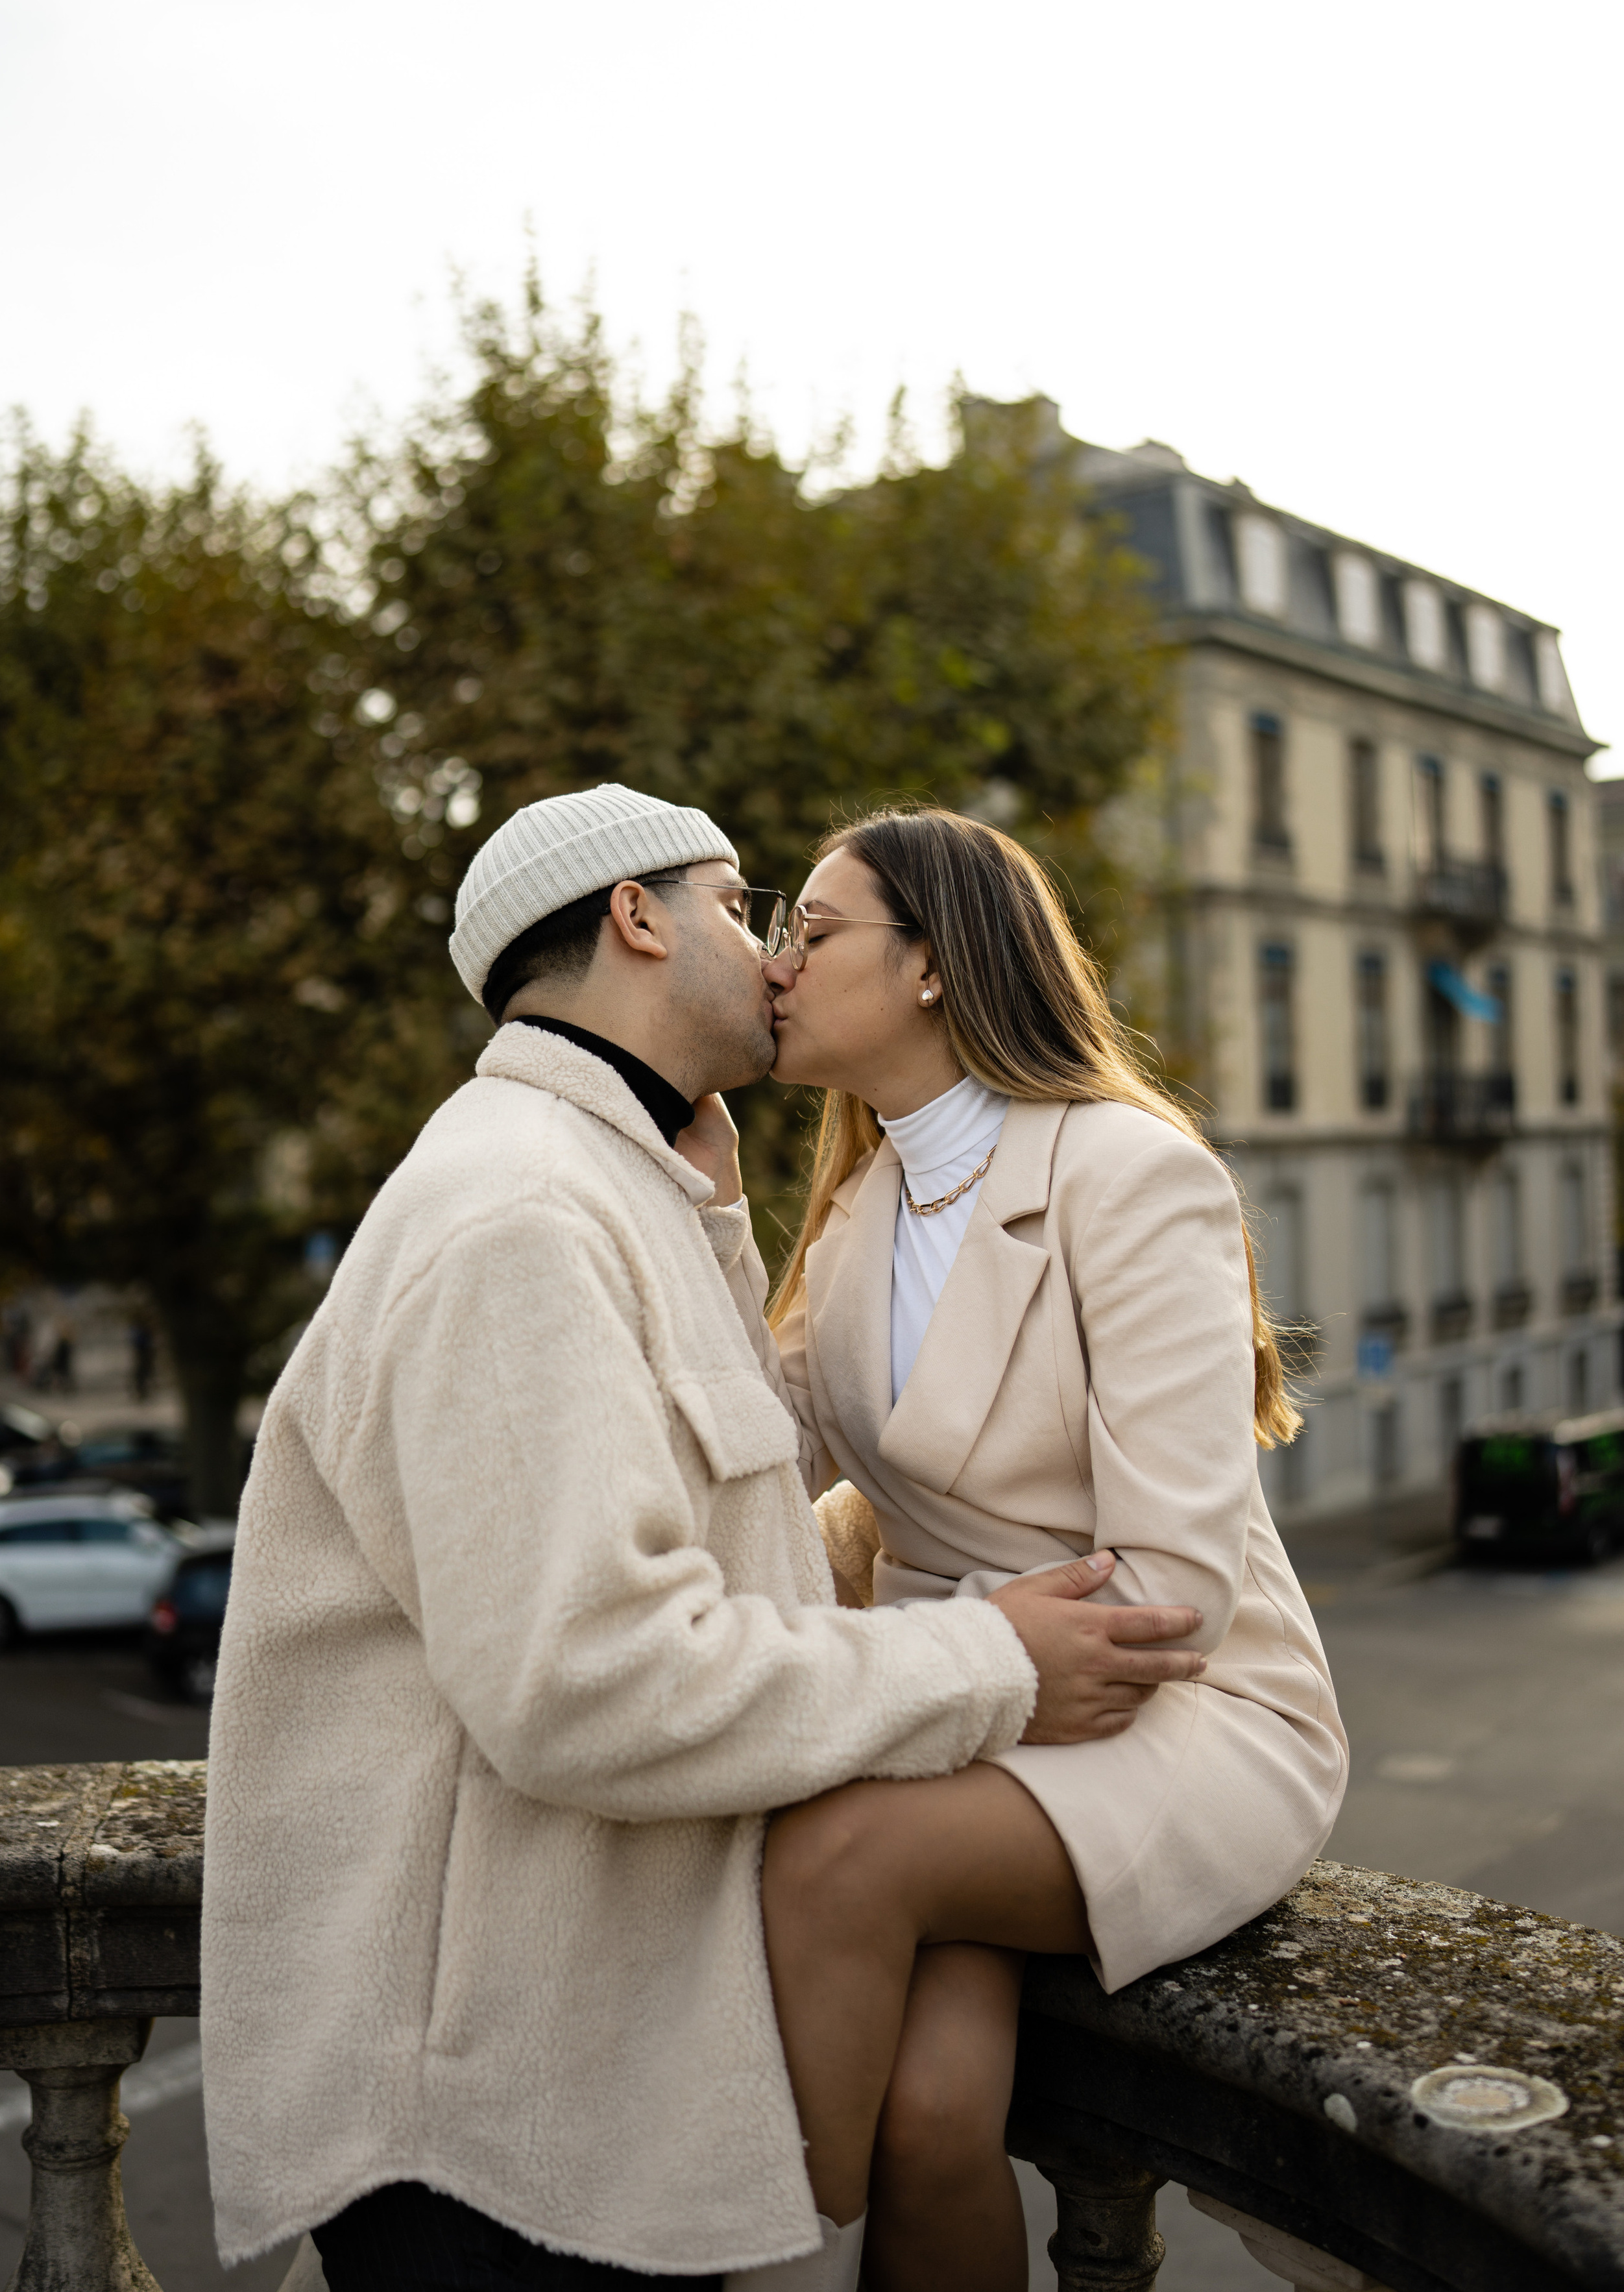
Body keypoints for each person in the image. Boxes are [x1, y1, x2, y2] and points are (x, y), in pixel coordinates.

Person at [200, 783, 1207, 2292]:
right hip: (500, 2129)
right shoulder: (517, 1220)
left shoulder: (608, 1187)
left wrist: (716, 1214)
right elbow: (591, 1681)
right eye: (743, 910)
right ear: (637, 918)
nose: (775, 959)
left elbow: (727, 1494)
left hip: (568, 2073)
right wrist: (987, 1662)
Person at [758, 806, 1350, 2292]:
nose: (777, 960)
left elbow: (1167, 1604)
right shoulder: (850, 1215)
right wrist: (695, 1177)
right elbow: (739, 1473)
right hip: (977, 1719)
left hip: (1181, 1716)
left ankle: (745, 2260)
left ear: (931, 968)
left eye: (812, 930)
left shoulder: (1130, 1176)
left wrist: (942, 1664)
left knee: (827, 1861)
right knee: (933, 2113)